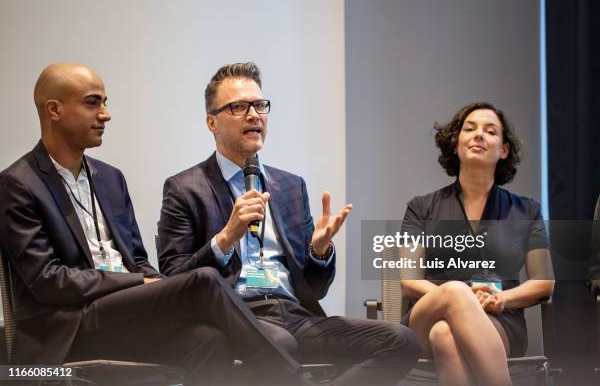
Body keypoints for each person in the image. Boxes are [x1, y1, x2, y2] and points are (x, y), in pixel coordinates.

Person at [0, 63, 303, 385]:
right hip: (70, 326)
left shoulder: (109, 178)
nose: (106, 114)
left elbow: (139, 261)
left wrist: (151, 283)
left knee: (209, 340)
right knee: (203, 280)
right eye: (93, 102)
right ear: (54, 110)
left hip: (123, 314)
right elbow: (48, 281)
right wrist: (137, 284)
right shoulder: (18, 184)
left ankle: (277, 361)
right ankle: (293, 380)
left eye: (105, 102)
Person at [157, 62, 420, 386]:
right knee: (280, 345)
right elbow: (173, 280)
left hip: (294, 314)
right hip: (235, 315)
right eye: (238, 107)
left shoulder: (290, 186)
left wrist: (319, 250)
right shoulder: (185, 188)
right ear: (212, 122)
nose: (254, 115)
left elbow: (316, 288)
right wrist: (226, 238)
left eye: (260, 105)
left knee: (400, 340)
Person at [400, 102, 554, 386]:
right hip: (425, 316)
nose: (479, 135)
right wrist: (459, 294)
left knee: (445, 335)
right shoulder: (421, 208)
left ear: (504, 150)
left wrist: (502, 299)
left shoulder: (527, 210)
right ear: (455, 145)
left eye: (490, 131)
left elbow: (543, 283)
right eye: (469, 129)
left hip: (499, 320)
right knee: (456, 294)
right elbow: (409, 281)